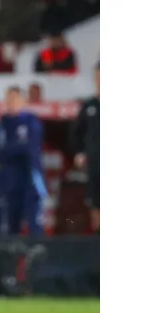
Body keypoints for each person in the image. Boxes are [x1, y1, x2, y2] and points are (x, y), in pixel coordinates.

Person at [0, 86, 47, 237]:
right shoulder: (2, 123)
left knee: (34, 223)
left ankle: (38, 258)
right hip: (9, 179)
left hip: (30, 178)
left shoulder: (31, 121)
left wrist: (9, 150)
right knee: (10, 224)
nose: (11, 103)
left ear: (23, 101)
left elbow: (30, 148)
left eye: (15, 99)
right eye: (9, 99)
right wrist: (16, 149)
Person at [71, 64, 99, 232]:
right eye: (98, 77)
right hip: (95, 165)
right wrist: (79, 153)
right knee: (95, 203)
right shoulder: (89, 106)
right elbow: (76, 133)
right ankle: (99, 240)